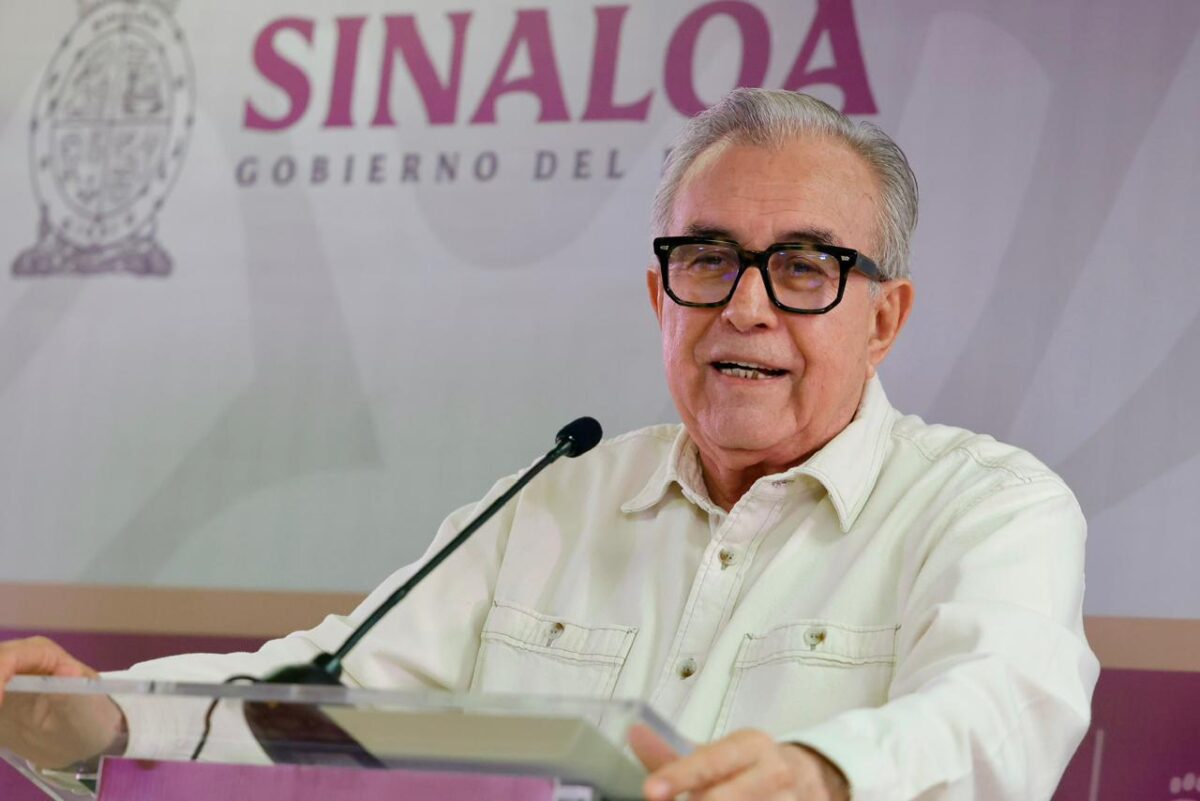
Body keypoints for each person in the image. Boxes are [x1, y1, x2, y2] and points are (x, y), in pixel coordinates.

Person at [0, 88, 1098, 800]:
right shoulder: (558, 499)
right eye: (707, 258)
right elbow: (338, 689)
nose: (746, 307)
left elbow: (1000, 709)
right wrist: (106, 713)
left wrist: (823, 773)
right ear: (660, 297)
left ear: (885, 319)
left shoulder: (990, 507)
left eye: (806, 268)